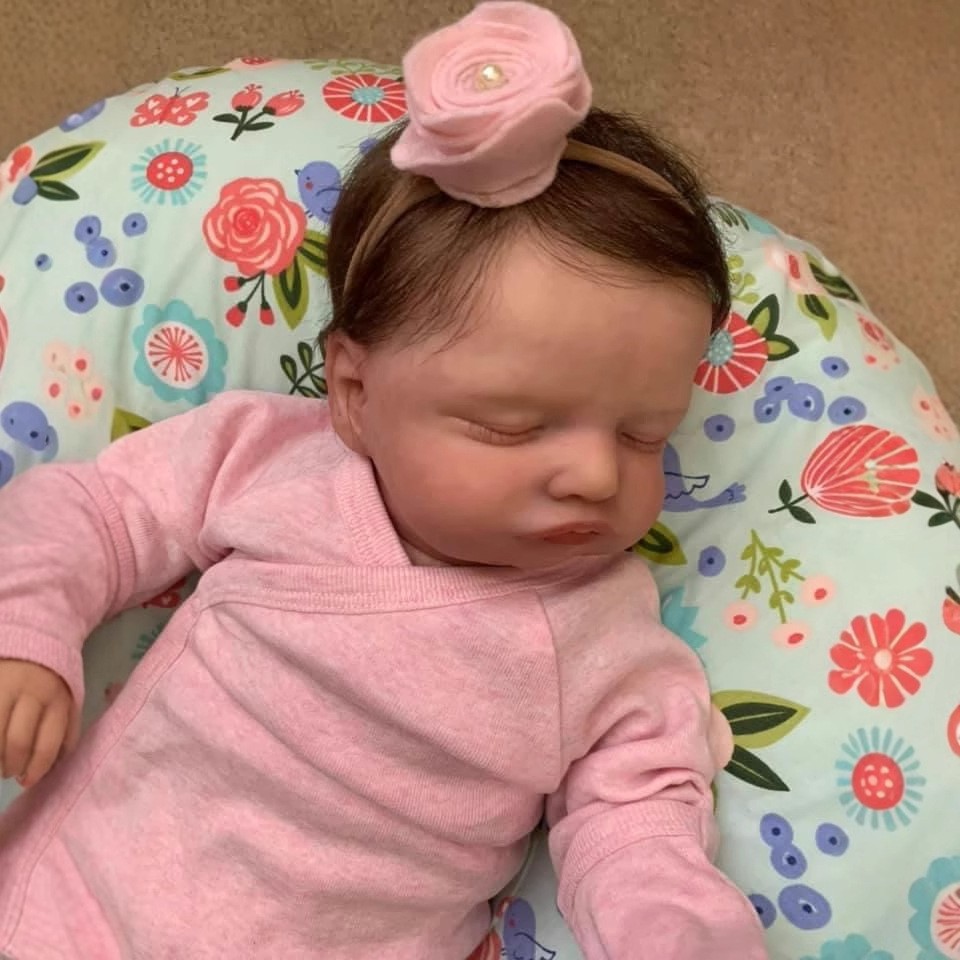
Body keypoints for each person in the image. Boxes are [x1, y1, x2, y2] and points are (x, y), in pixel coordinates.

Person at [0, 3, 767, 957]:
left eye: (646, 435)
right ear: (356, 394)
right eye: (511, 426)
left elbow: (638, 819)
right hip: (77, 904)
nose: (595, 474)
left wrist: (674, 927)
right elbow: (97, 511)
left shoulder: (602, 632)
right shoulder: (266, 460)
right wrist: (29, 631)